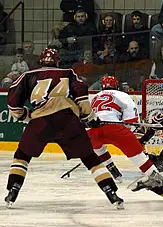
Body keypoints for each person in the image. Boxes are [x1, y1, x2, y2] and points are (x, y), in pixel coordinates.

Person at [4, 48, 124, 210]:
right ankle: (112, 194)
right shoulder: (69, 73)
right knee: (90, 158)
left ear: (41, 61)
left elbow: (13, 104)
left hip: (40, 121)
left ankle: (13, 190)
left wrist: (27, 117)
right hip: (67, 120)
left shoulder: (27, 76)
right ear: (57, 61)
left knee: (22, 155)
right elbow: (81, 97)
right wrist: (90, 118)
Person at [86, 75, 163, 183]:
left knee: (99, 149)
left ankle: (114, 173)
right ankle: (157, 179)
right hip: (113, 128)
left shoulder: (94, 96)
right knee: (139, 157)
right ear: (117, 86)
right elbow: (131, 120)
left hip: (91, 130)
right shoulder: (122, 95)